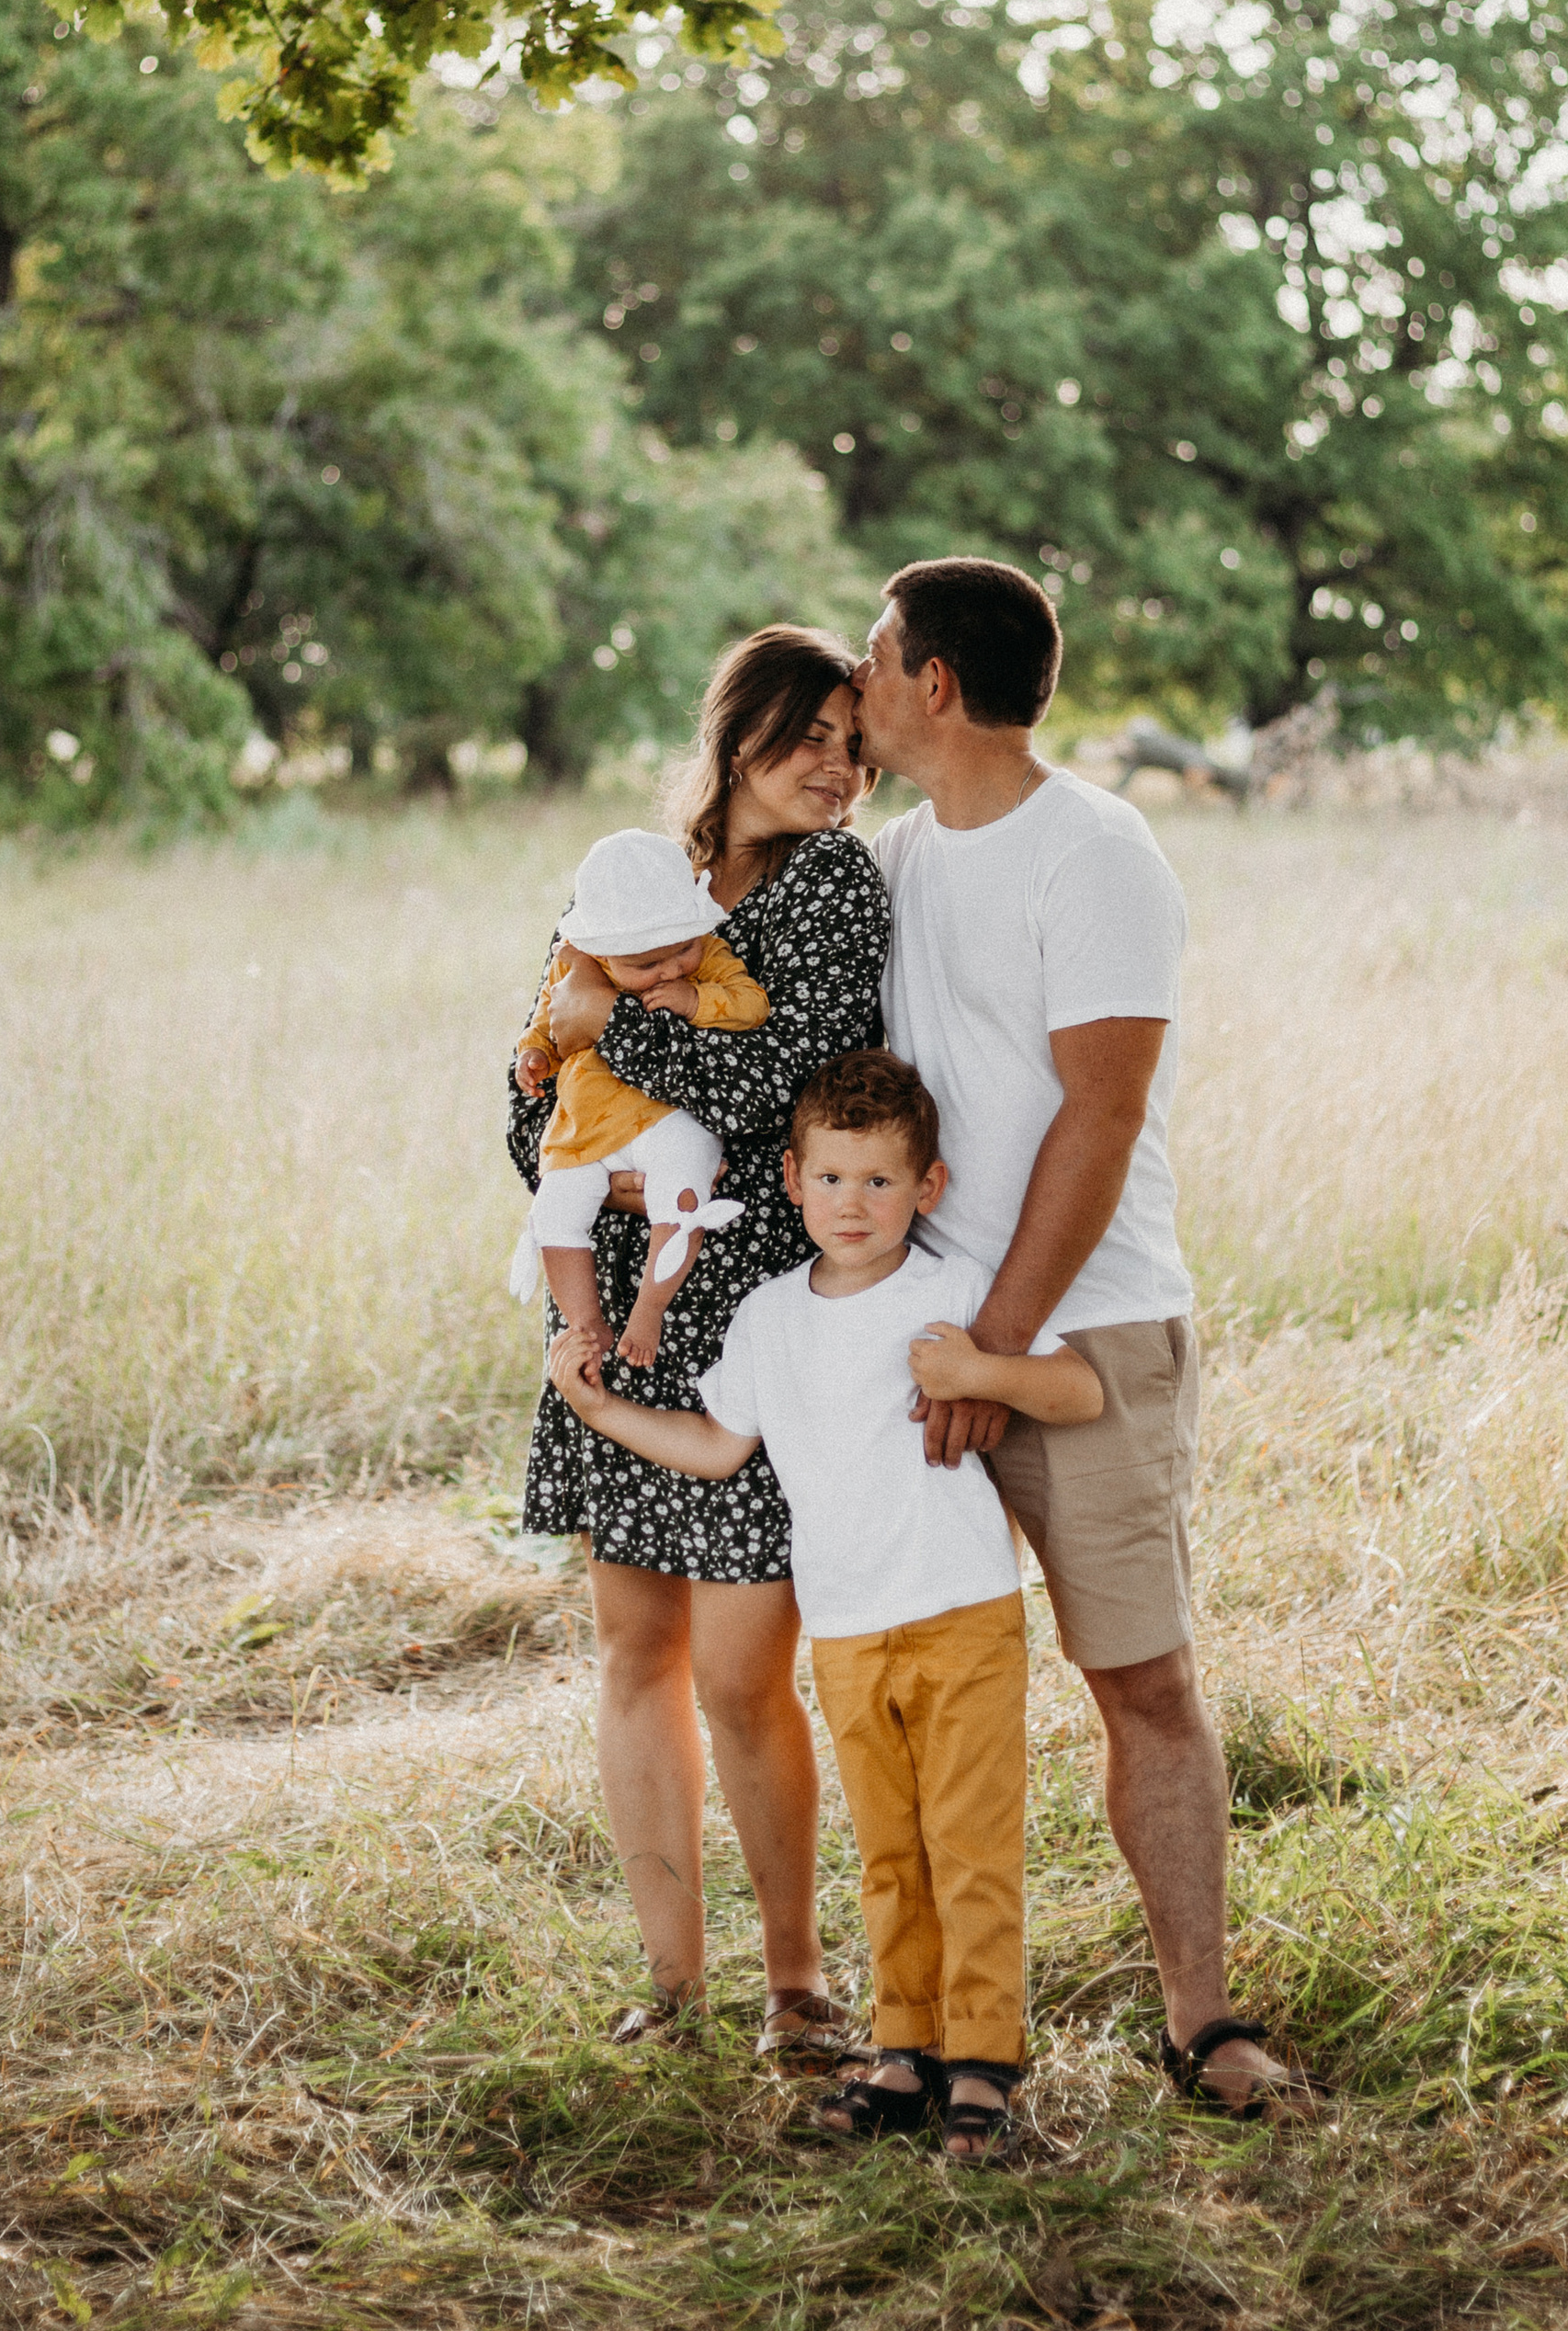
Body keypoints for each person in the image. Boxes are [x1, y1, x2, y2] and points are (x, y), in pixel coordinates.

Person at [853, 555, 1327, 2121]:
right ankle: (928, 2030)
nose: (858, 686)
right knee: (916, 1689)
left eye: (874, 657)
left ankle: (1204, 2022)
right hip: (935, 1347)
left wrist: (992, 1352)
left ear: (934, 680)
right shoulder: (901, 859)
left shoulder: (1098, 852)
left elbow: (1101, 1116)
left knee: (1140, 1680)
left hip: (1088, 1337)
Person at [549, 1047, 1104, 2159]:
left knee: (969, 1842)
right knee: (889, 1848)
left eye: (882, 1182)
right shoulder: (767, 1319)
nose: (855, 1206)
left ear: (927, 1189)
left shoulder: (952, 1293)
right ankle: (904, 2051)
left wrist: (980, 1375)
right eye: (833, 1180)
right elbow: (716, 1447)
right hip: (846, 1627)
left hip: (961, 1611)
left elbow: (1080, 1389)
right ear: (792, 1181)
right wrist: (597, 1412)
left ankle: (983, 2064)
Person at [511, 627, 887, 2053]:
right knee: (634, 1651)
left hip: (752, 1313)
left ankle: (796, 1984)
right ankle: (673, 1986)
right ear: (742, 734)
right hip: (613, 1294)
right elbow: (530, 1075)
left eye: (858, 747)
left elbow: (789, 1083)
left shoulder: (833, 887)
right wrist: (593, 1145)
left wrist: (619, 1030)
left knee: (739, 1668)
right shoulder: (630, 874)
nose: (840, 769)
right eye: (814, 737)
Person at [512, 827, 767, 1371]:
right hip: (588, 1122)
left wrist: (696, 998)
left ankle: (649, 1309)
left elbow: (751, 1004)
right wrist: (534, 1056)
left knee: (681, 1201)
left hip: (667, 1117)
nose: (672, 967)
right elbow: (548, 1023)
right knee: (554, 1212)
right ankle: (585, 1321)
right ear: (604, 952)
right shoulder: (578, 963)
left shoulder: (707, 958)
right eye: (648, 966)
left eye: (683, 949)